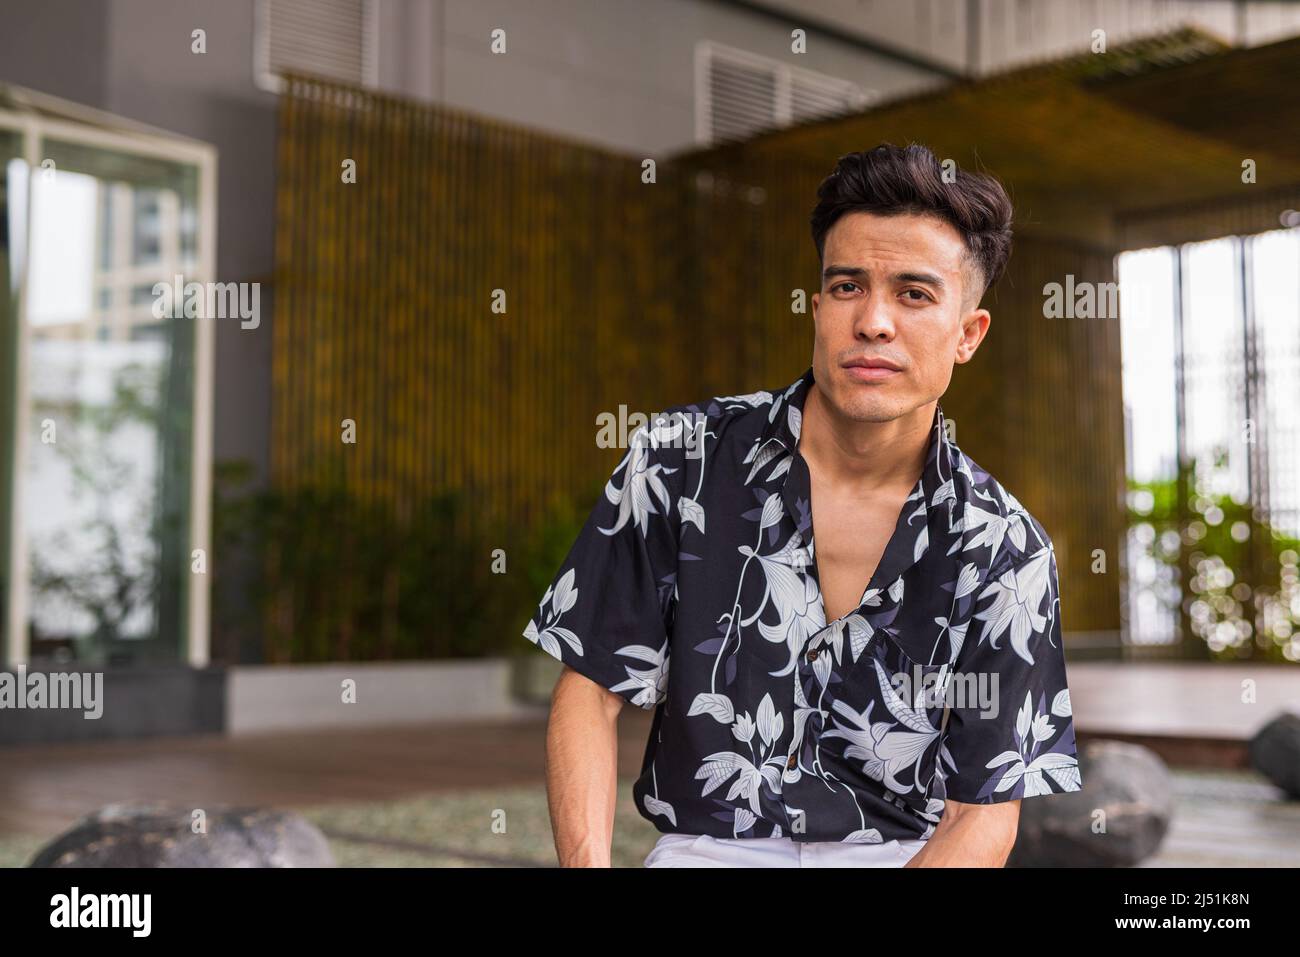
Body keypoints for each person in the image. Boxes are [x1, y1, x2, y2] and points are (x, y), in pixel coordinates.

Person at [523, 142, 1082, 868]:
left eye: (914, 294)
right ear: (818, 307)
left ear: (968, 334)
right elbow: (590, 691)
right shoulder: (679, 460)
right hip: (707, 850)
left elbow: (981, 816)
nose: (873, 321)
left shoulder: (1004, 547)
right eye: (848, 287)